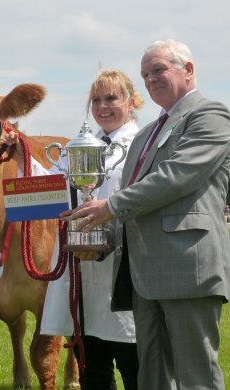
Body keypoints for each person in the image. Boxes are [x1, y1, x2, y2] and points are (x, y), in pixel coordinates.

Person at [64, 39, 230, 389]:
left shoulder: (210, 116)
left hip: (187, 267)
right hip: (142, 274)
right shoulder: (148, 133)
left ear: (188, 70)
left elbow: (176, 177)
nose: (151, 79)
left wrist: (109, 207)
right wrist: (99, 238)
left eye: (159, 70)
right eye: (145, 74)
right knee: (151, 377)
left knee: (195, 375)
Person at [37, 70, 141, 390]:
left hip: (125, 266)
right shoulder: (77, 147)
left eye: (111, 98)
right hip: (81, 269)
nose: (102, 106)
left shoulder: (142, 144)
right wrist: (17, 156)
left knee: (134, 364)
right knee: (92, 367)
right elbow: (47, 190)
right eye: (95, 100)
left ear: (132, 102)